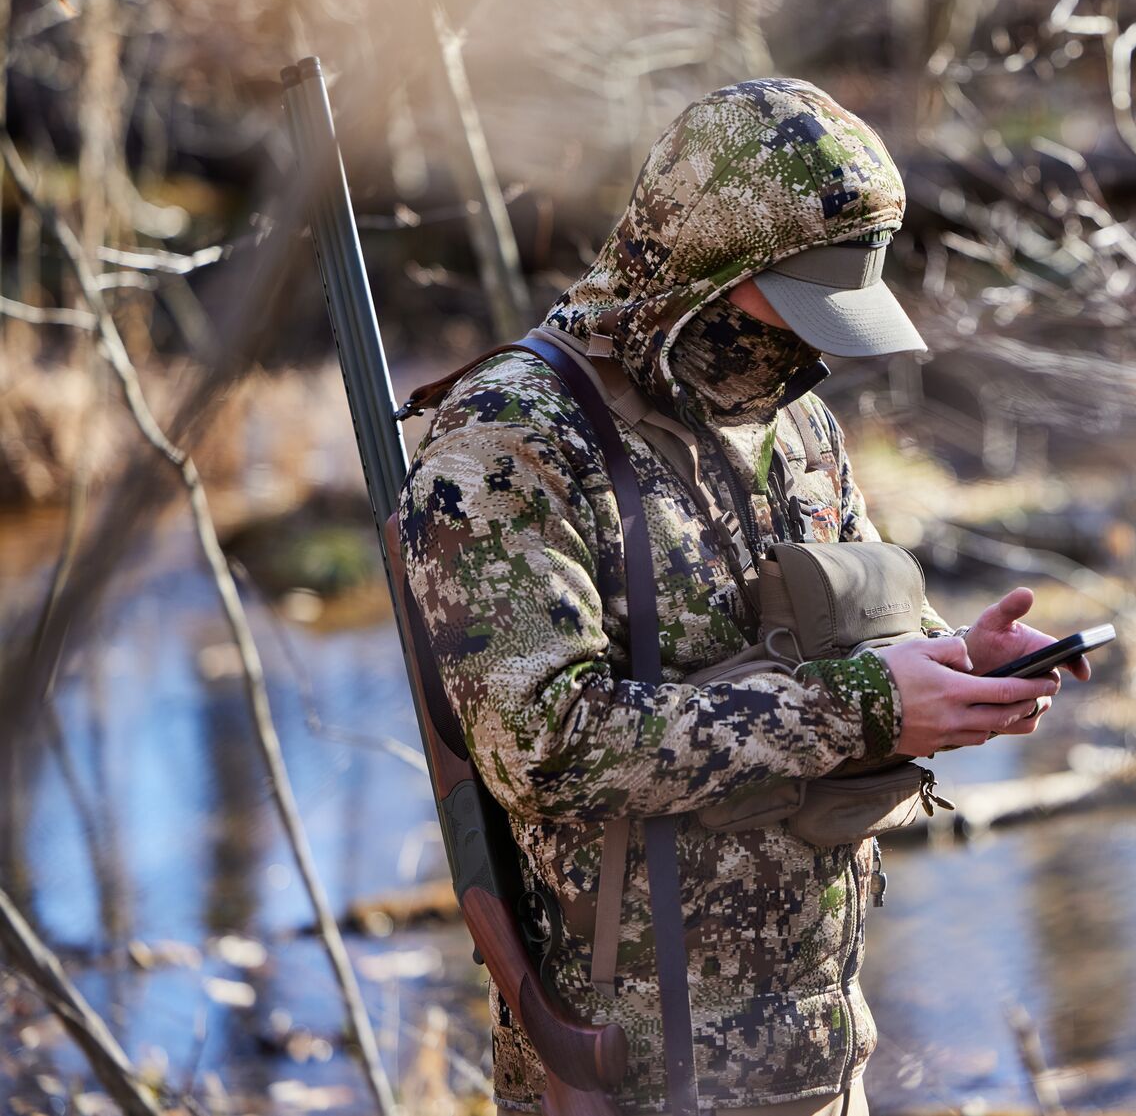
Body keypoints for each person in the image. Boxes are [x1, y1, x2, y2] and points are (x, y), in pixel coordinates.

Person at [398, 77, 1089, 1114]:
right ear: (697, 262)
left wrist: (956, 665)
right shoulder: (510, 444)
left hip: (818, 1054)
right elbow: (544, 744)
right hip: (629, 1074)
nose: (816, 346)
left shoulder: (790, 424)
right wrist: (864, 706)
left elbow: (844, 634)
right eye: (802, 301)